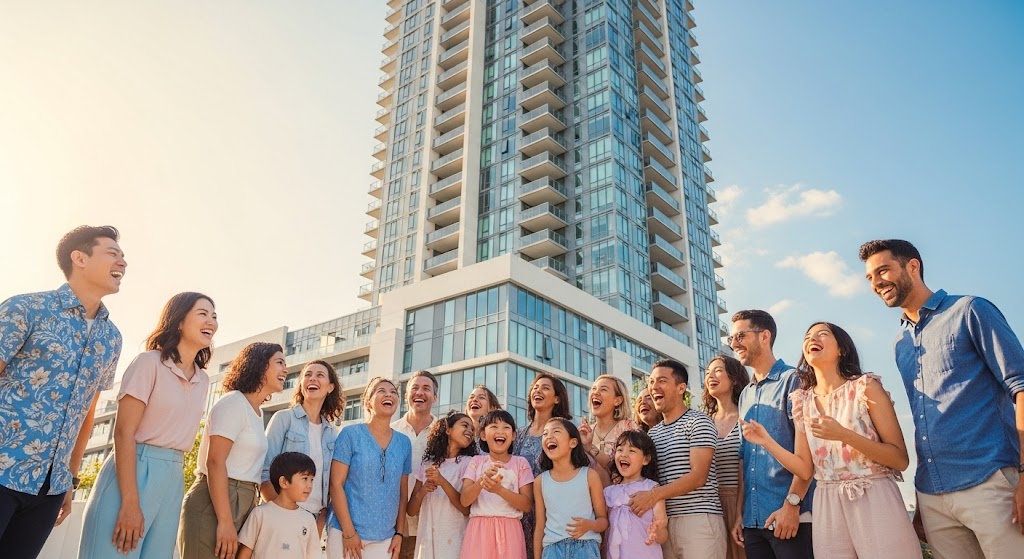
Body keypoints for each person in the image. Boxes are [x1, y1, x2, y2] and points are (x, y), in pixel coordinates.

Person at [860, 239, 1024, 557]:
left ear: (912, 266)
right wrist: (923, 497)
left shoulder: (971, 310)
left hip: (990, 481)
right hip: (933, 496)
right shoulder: (900, 343)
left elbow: (1021, 387)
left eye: (883, 270)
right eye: (869, 277)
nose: (876, 282)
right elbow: (925, 422)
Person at [741, 322, 919, 558]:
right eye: (807, 337)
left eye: (822, 334)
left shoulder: (866, 387)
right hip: (826, 503)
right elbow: (805, 469)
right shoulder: (802, 400)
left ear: (841, 350)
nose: (812, 339)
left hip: (873, 495)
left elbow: (899, 459)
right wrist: (767, 442)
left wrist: (844, 435)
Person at [0, 225, 125, 558]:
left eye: (123, 256)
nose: (123, 262)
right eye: (113, 253)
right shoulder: (25, 308)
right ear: (79, 258)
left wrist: (69, 477)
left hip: (49, 488)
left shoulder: (112, 338)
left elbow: (88, 411)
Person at [80, 292, 217, 559]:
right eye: (202, 313)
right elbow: (124, 433)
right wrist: (130, 502)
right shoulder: (149, 363)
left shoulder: (203, 381)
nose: (211, 321)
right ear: (178, 321)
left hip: (173, 476)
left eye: (214, 316)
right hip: (134, 469)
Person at [178, 342, 286, 559]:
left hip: (244, 500)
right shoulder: (233, 403)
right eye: (280, 362)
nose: (285, 369)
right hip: (215, 501)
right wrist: (225, 521)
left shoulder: (257, 412)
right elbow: (215, 462)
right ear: (260, 365)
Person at [729, 310, 814, 559]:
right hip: (753, 523)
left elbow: (807, 455)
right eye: (731, 339)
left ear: (764, 336)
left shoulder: (794, 380)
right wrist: (740, 517)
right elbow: (745, 460)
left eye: (740, 336)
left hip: (791, 517)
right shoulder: (745, 394)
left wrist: (792, 505)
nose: (734, 344)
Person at [629, 358, 726, 559]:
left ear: (681, 388)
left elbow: (699, 477)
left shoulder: (698, 422)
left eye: (662, 381)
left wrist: (653, 496)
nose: (654, 387)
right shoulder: (652, 435)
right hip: (662, 525)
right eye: (651, 382)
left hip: (698, 522)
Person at [327, 377, 412, 559]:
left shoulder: (404, 443)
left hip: (385, 538)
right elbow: (335, 484)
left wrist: (398, 533)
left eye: (393, 392)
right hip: (346, 532)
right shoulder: (350, 434)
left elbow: (402, 493)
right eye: (381, 391)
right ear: (368, 402)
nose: (388, 394)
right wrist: (349, 533)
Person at [261, 359, 343, 536]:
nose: (312, 379)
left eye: (320, 375)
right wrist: (283, 512)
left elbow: (329, 484)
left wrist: (321, 518)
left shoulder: (332, 433)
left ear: (330, 387)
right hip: (282, 515)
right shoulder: (283, 419)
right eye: (307, 375)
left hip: (314, 520)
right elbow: (264, 471)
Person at [459, 410, 534, 559]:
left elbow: (526, 505)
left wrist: (498, 490)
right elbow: (464, 500)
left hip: (510, 531)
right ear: (483, 435)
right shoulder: (476, 462)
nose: (500, 431)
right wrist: (482, 480)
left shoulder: (521, 463)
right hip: (478, 531)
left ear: (513, 436)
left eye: (506, 427)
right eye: (494, 426)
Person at [513, 372, 572, 559]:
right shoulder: (518, 434)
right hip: (519, 514)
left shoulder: (566, 432)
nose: (538, 391)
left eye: (545, 388)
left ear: (556, 398)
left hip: (551, 515)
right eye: (535, 388)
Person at [534, 417, 608, 559]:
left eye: (556, 431)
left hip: (586, 548)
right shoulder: (540, 482)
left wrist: (589, 525)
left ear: (573, 442)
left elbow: (603, 521)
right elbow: (539, 527)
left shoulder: (590, 476)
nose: (549, 436)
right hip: (552, 551)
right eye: (545, 434)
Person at [407, 411, 477, 559]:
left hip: (455, 541)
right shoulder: (427, 464)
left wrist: (442, 481)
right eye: (465, 425)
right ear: (448, 430)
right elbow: (411, 511)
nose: (470, 430)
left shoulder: (469, 463)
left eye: (472, 429)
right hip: (427, 541)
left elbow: (466, 509)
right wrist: (423, 491)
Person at [702, 354, 750, 559]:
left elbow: (747, 469)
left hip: (743, 500)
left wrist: (739, 510)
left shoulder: (747, 416)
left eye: (718, 370)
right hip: (710, 503)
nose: (711, 376)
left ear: (735, 378)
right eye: (707, 373)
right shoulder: (703, 422)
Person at [238, 452, 321, 559]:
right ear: (284, 482)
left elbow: (313, 555)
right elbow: (244, 553)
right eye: (305, 478)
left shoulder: (308, 519)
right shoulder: (260, 514)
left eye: (312, 480)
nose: (309, 485)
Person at [392, 370, 439, 559]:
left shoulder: (444, 433)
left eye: (426, 389)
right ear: (406, 396)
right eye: (415, 388)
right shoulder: (391, 430)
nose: (419, 392)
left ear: (435, 397)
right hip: (394, 527)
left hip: (431, 528)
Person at [604, 430, 668, 559]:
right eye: (620, 450)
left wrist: (657, 532)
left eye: (632, 451)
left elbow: (663, 532)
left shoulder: (652, 488)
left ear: (645, 459)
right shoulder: (608, 492)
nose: (624, 455)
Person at [578, 374, 639, 476]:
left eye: (603, 390)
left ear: (618, 400)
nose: (595, 393)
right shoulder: (584, 432)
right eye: (593, 389)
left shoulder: (628, 427)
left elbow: (631, 464)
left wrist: (590, 449)